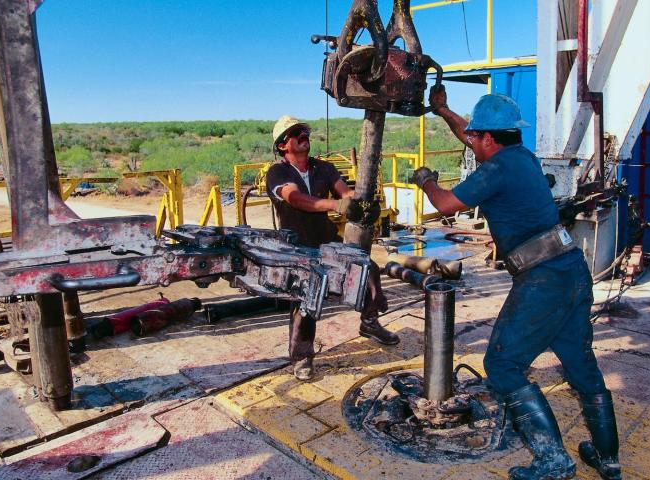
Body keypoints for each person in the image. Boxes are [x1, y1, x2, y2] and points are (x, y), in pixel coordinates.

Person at [410, 89, 621, 480]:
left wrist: (425, 180)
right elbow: (470, 135)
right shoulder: (520, 157)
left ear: (489, 139)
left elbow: (444, 205)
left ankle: (553, 461)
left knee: (503, 365)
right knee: (581, 366)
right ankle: (607, 458)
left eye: (477, 136)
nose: (470, 139)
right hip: (572, 270)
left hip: (543, 280)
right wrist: (442, 110)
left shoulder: (495, 170)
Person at [266, 115, 399, 381]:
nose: (304, 136)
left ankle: (370, 321)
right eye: (296, 134)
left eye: (305, 132)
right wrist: (334, 206)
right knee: (306, 296)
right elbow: (296, 198)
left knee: (367, 269)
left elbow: (344, 193)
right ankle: (302, 357)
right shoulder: (277, 173)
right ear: (283, 145)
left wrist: (360, 205)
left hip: (325, 238)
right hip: (296, 245)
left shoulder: (323, 168)